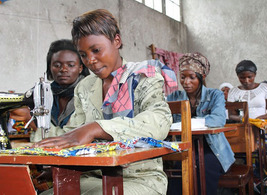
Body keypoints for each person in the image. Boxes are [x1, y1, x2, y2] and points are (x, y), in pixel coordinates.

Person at [33, 9, 177, 195]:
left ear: (116, 41)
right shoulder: (85, 87)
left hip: (139, 179)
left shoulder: (143, 76)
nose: (90, 61)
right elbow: (74, 132)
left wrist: (96, 127)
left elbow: (159, 121)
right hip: (91, 176)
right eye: (83, 55)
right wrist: (43, 140)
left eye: (96, 50)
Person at [167, 52, 235, 195]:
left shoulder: (215, 95)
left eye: (192, 77)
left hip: (212, 148)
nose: (186, 82)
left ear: (202, 77)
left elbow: (218, 119)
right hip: (186, 147)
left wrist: (185, 124)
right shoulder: (174, 97)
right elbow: (163, 118)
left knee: (203, 169)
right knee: (178, 176)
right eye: (183, 77)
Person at [10, 39, 90, 142]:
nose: (63, 69)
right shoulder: (43, 93)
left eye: (70, 65)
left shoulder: (89, 95)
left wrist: (33, 123)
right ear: (50, 68)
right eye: (57, 65)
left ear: (80, 68)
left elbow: (72, 138)